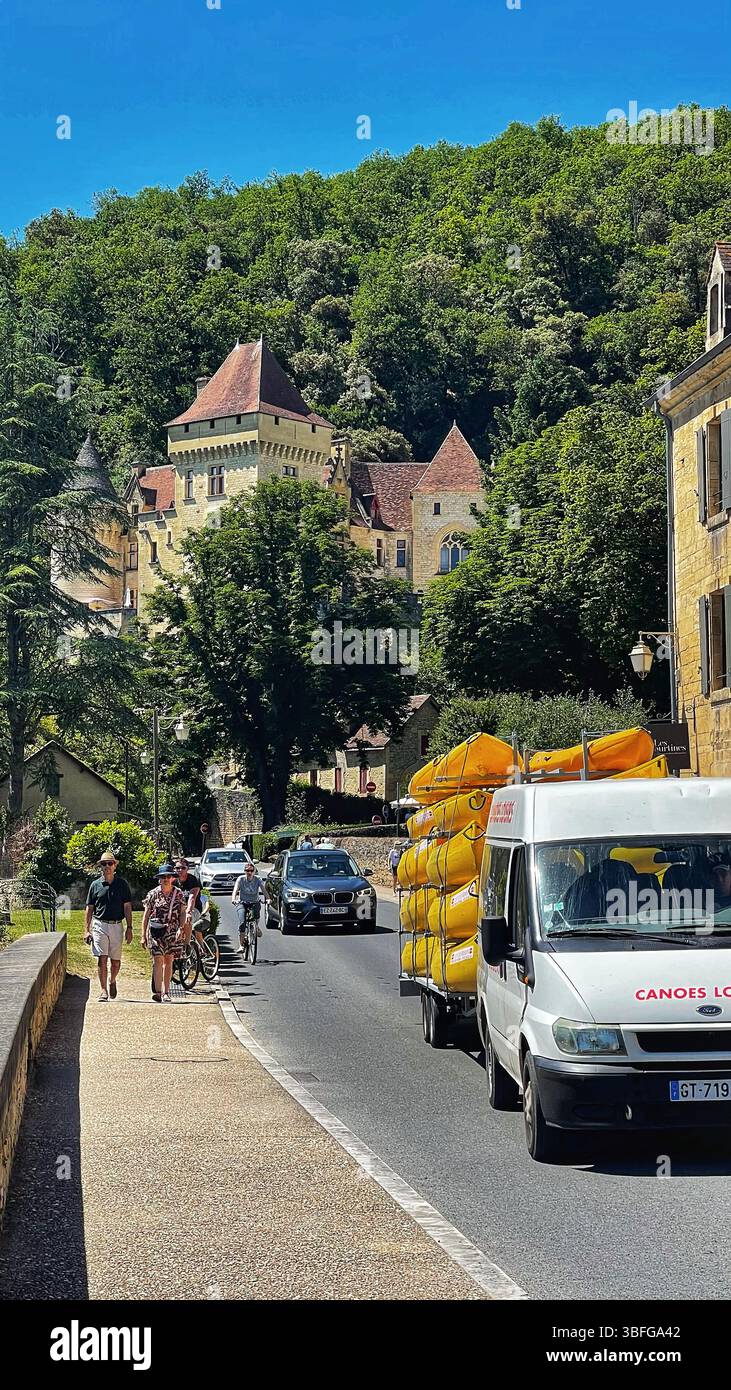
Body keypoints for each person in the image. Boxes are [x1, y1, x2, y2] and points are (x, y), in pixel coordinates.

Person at [84, 851, 133, 1002]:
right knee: (102, 959)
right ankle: (103, 990)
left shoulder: (122, 884)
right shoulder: (95, 885)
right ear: (101, 866)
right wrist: (86, 930)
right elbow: (89, 908)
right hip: (99, 924)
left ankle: (112, 980)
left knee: (116, 962)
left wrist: (130, 928)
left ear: (115, 865)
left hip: (117, 925)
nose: (107, 866)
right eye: (104, 864)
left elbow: (127, 907)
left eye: (110, 863)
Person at [141, 863, 190, 1003]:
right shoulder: (152, 894)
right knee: (158, 959)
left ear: (172, 878)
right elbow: (146, 915)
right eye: (163, 877)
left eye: (168, 876)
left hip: (172, 931)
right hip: (156, 931)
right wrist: (143, 935)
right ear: (159, 879)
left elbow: (182, 913)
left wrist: (181, 928)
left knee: (168, 960)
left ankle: (166, 992)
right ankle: (158, 992)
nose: (166, 879)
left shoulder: (179, 894)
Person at [232, 863, 264, 954]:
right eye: (247, 871)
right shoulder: (241, 879)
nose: (249, 872)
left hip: (254, 902)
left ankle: (256, 927)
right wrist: (234, 899)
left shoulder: (258, 879)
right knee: (242, 922)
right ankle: (241, 945)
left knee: (256, 912)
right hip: (242, 902)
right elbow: (235, 890)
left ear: (254, 871)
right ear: (244, 871)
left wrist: (268, 899)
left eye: (251, 871)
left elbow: (264, 890)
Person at [175, 858, 202, 942]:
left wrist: (188, 912)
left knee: (187, 920)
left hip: (194, 908)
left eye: (183, 868)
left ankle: (187, 945)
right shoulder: (173, 881)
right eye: (177, 868)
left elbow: (192, 898)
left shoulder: (193, 880)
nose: (180, 870)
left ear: (187, 869)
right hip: (179, 909)